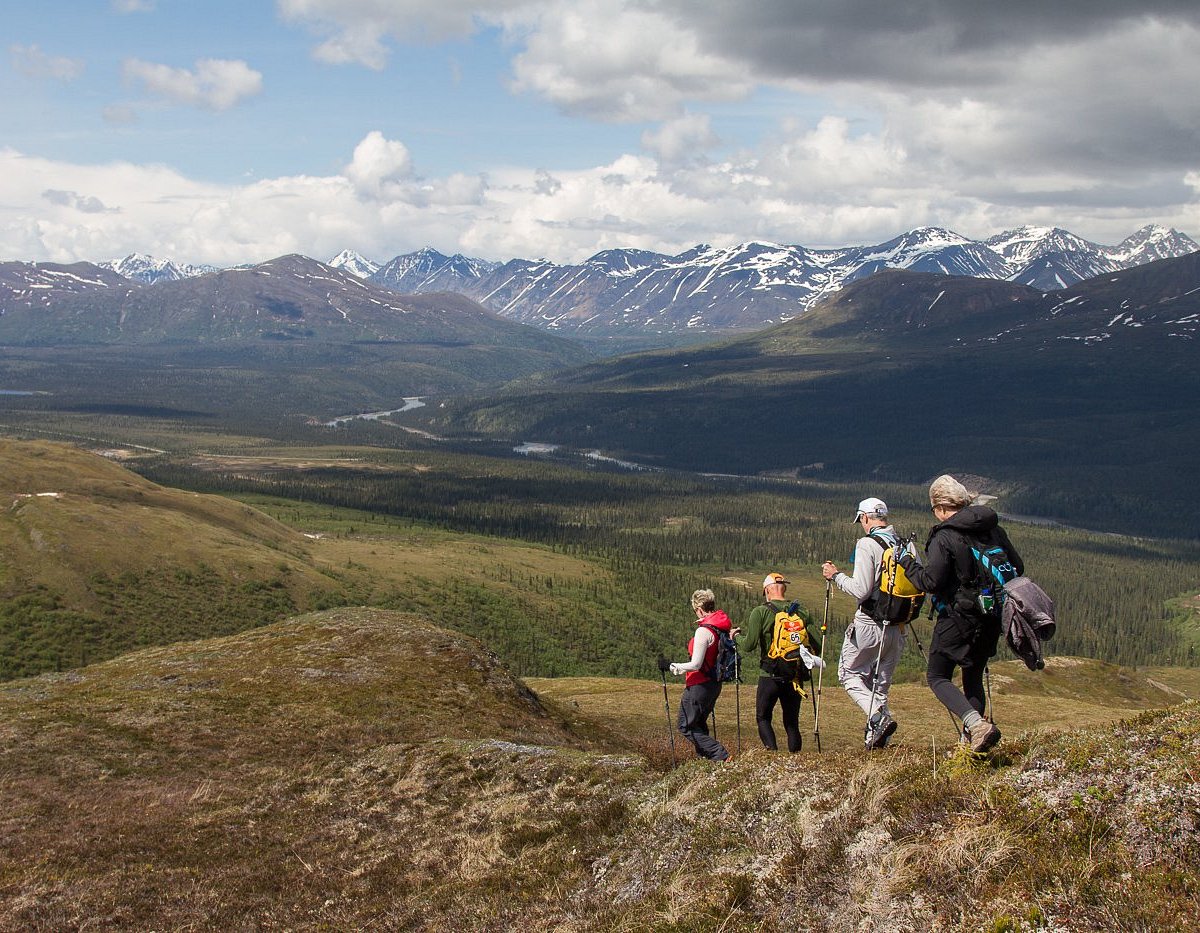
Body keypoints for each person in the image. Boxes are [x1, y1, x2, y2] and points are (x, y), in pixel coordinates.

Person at [896, 475, 1023, 753]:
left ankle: (976, 726)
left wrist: (907, 563)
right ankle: (972, 745)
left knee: (938, 676)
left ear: (941, 507)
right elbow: (1018, 567)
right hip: (992, 617)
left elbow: (931, 582)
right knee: (972, 675)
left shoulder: (945, 535)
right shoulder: (993, 529)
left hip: (958, 618)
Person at [821, 496, 907, 749]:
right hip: (898, 626)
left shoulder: (867, 544)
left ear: (866, 517)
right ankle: (878, 740)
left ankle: (879, 719)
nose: (861, 524)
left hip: (870, 622)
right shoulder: (905, 545)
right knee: (879, 685)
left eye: (861, 520)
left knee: (848, 674)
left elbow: (861, 589)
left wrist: (835, 576)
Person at [735, 573, 819, 753]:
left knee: (763, 717)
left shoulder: (761, 611)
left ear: (766, 590)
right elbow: (817, 644)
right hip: (794, 676)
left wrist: (736, 637)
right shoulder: (801, 611)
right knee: (791, 723)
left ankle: (772, 756)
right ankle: (795, 761)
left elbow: (749, 645)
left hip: (770, 674)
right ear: (784, 588)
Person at [667, 589, 734, 762]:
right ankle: (707, 761)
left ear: (698, 609)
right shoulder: (721, 628)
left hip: (699, 685)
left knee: (685, 726)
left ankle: (721, 755)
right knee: (699, 724)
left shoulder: (703, 631)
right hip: (714, 683)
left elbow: (696, 664)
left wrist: (672, 667)